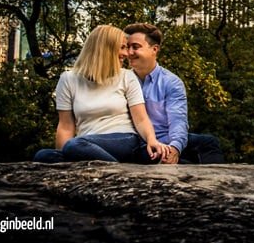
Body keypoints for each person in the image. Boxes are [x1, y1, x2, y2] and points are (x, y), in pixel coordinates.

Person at [33, 25, 169, 163]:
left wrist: (152, 140)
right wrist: (64, 159)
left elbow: (141, 119)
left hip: (124, 140)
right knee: (43, 155)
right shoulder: (68, 79)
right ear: (106, 49)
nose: (127, 53)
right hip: (86, 145)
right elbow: (65, 126)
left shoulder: (127, 77)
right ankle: (116, 166)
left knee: (74, 145)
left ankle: (121, 171)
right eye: (122, 47)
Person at [123, 23, 224, 164]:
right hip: (136, 142)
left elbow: (178, 121)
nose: (129, 52)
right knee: (183, 164)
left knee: (208, 143)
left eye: (135, 47)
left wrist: (174, 148)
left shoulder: (171, 82)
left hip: (166, 139)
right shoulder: (122, 80)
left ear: (154, 49)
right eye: (127, 47)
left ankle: (216, 183)